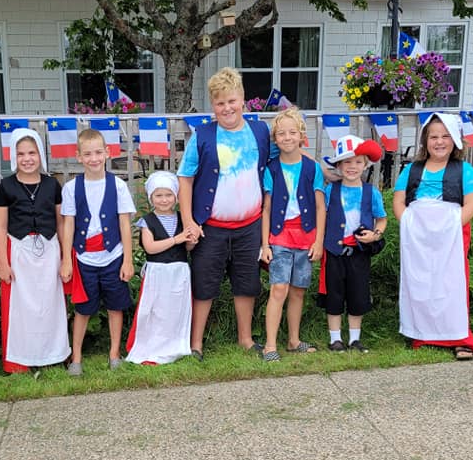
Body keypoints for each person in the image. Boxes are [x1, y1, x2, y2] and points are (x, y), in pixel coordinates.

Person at [177, 67, 272, 360]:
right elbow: (185, 178)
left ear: (242, 99)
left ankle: (245, 338)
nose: (227, 108)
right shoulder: (203, 135)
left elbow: (280, 158)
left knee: (247, 283)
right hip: (211, 227)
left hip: (250, 225)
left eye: (231, 101)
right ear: (213, 106)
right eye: (220, 103)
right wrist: (190, 221)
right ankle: (196, 344)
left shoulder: (259, 131)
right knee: (204, 284)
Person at [393, 112, 473, 361]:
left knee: (451, 284)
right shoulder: (411, 170)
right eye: (433, 136)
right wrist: (411, 226)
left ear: (454, 139)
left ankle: (459, 338)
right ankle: (423, 332)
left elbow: (472, 202)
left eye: (445, 136)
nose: (439, 141)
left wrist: (448, 229)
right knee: (420, 281)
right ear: (425, 140)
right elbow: (399, 201)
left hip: (451, 236)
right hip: (418, 239)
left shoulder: (463, 170)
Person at [0, 128, 71, 373]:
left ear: (40, 154)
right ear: (13, 157)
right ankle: (20, 358)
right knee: (22, 306)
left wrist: (65, 257)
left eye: (32, 153)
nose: (27, 158)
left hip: (48, 249)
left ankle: (54, 353)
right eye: (21, 154)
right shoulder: (5, 187)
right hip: (19, 250)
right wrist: (2, 263)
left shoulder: (52, 185)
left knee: (50, 304)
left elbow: (61, 222)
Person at [59, 128, 135, 375]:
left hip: (113, 256)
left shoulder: (118, 185)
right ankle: (76, 357)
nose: (94, 158)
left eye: (98, 152)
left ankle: (114, 353)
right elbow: (68, 223)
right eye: (88, 154)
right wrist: (66, 260)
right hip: (84, 259)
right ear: (78, 156)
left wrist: (128, 260)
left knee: (115, 306)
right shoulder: (71, 187)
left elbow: (124, 222)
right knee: (83, 309)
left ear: (108, 153)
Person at [259, 107, 326, 362]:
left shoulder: (312, 168)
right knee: (278, 288)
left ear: (301, 136)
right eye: (281, 134)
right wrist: (265, 244)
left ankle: (294, 340)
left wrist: (318, 241)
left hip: (306, 236)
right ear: (275, 139)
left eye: (292, 132)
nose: (287, 137)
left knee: (298, 290)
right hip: (279, 237)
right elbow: (266, 209)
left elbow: (320, 207)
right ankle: (270, 345)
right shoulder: (271, 169)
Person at [321, 135, 387, 353]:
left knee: (357, 294)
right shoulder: (331, 190)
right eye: (347, 162)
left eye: (358, 162)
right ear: (339, 166)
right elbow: (322, 214)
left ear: (365, 164)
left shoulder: (371, 192)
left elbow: (381, 218)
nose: (352, 167)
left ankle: (354, 339)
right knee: (334, 294)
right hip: (335, 251)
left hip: (360, 252)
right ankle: (335, 338)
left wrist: (375, 235)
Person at [125, 171, 198, 365]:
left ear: (176, 196)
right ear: (151, 198)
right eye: (158, 195)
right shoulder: (147, 221)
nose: (164, 200)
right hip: (157, 272)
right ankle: (151, 347)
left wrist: (191, 239)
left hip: (179, 271)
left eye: (168, 195)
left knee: (175, 311)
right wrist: (177, 239)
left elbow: (188, 247)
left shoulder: (183, 219)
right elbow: (150, 247)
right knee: (155, 310)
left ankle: (174, 345)